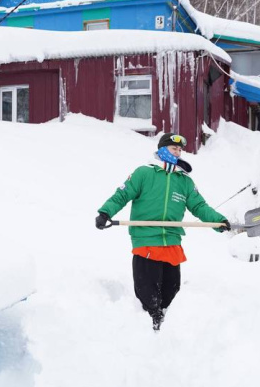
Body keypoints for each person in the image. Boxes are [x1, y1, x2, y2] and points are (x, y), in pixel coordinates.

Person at [95, 133, 230, 330]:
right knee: (148, 292)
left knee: (172, 290)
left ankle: (167, 329)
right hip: (146, 238)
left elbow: (200, 206)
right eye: (173, 148)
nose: (178, 152)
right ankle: (147, 327)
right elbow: (122, 194)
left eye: (180, 149)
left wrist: (219, 221)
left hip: (172, 241)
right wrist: (105, 212)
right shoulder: (144, 173)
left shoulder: (184, 181)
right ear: (162, 149)